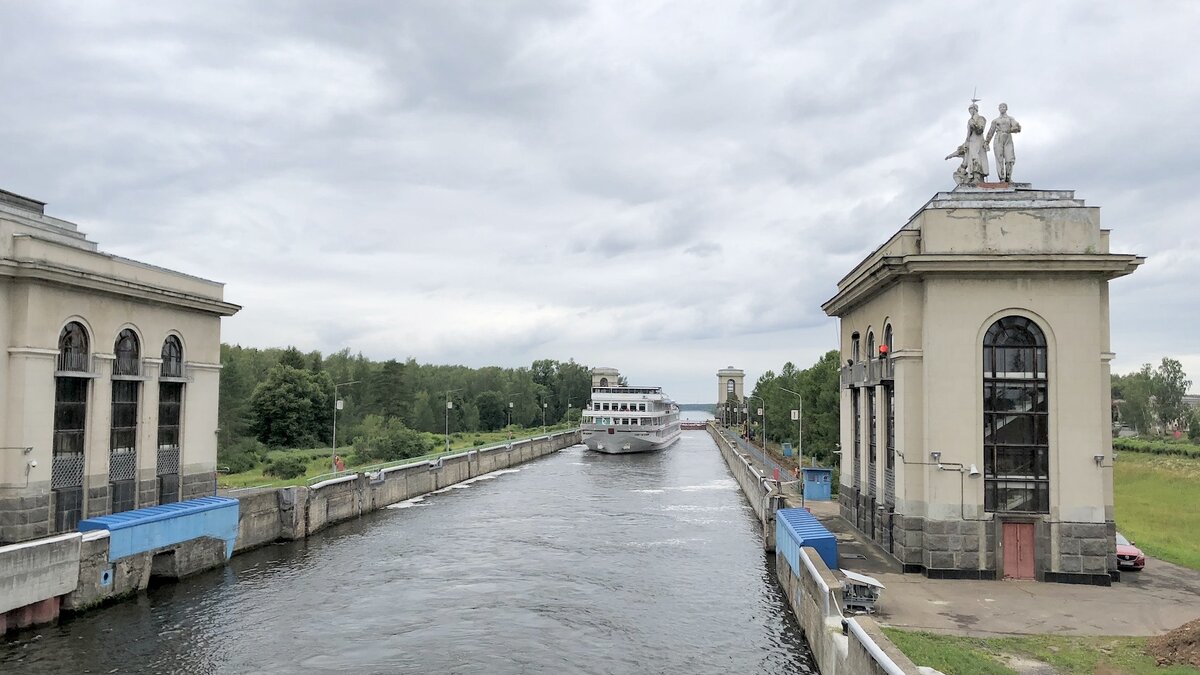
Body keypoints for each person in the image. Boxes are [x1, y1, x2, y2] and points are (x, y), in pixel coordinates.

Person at [985, 102, 1021, 182]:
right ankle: (1002, 178)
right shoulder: (995, 121)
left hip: (1008, 138)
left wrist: (1013, 129)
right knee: (999, 158)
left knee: (1009, 159)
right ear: (998, 109)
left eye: (1003, 107)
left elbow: (1017, 127)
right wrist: (986, 142)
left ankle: (1008, 178)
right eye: (1000, 107)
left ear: (1006, 108)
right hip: (998, 138)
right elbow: (991, 132)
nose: (1002, 108)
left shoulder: (1010, 119)